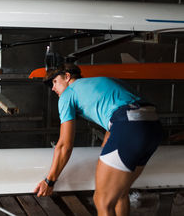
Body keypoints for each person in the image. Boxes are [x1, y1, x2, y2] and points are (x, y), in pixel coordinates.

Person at [33, 63, 163, 216]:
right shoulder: (99, 83)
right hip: (153, 126)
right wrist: (106, 153)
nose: (53, 88)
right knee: (120, 193)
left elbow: (64, 145)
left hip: (129, 125)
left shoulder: (68, 94)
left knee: (102, 200)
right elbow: (118, 117)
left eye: (54, 82)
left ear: (67, 77)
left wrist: (50, 181)